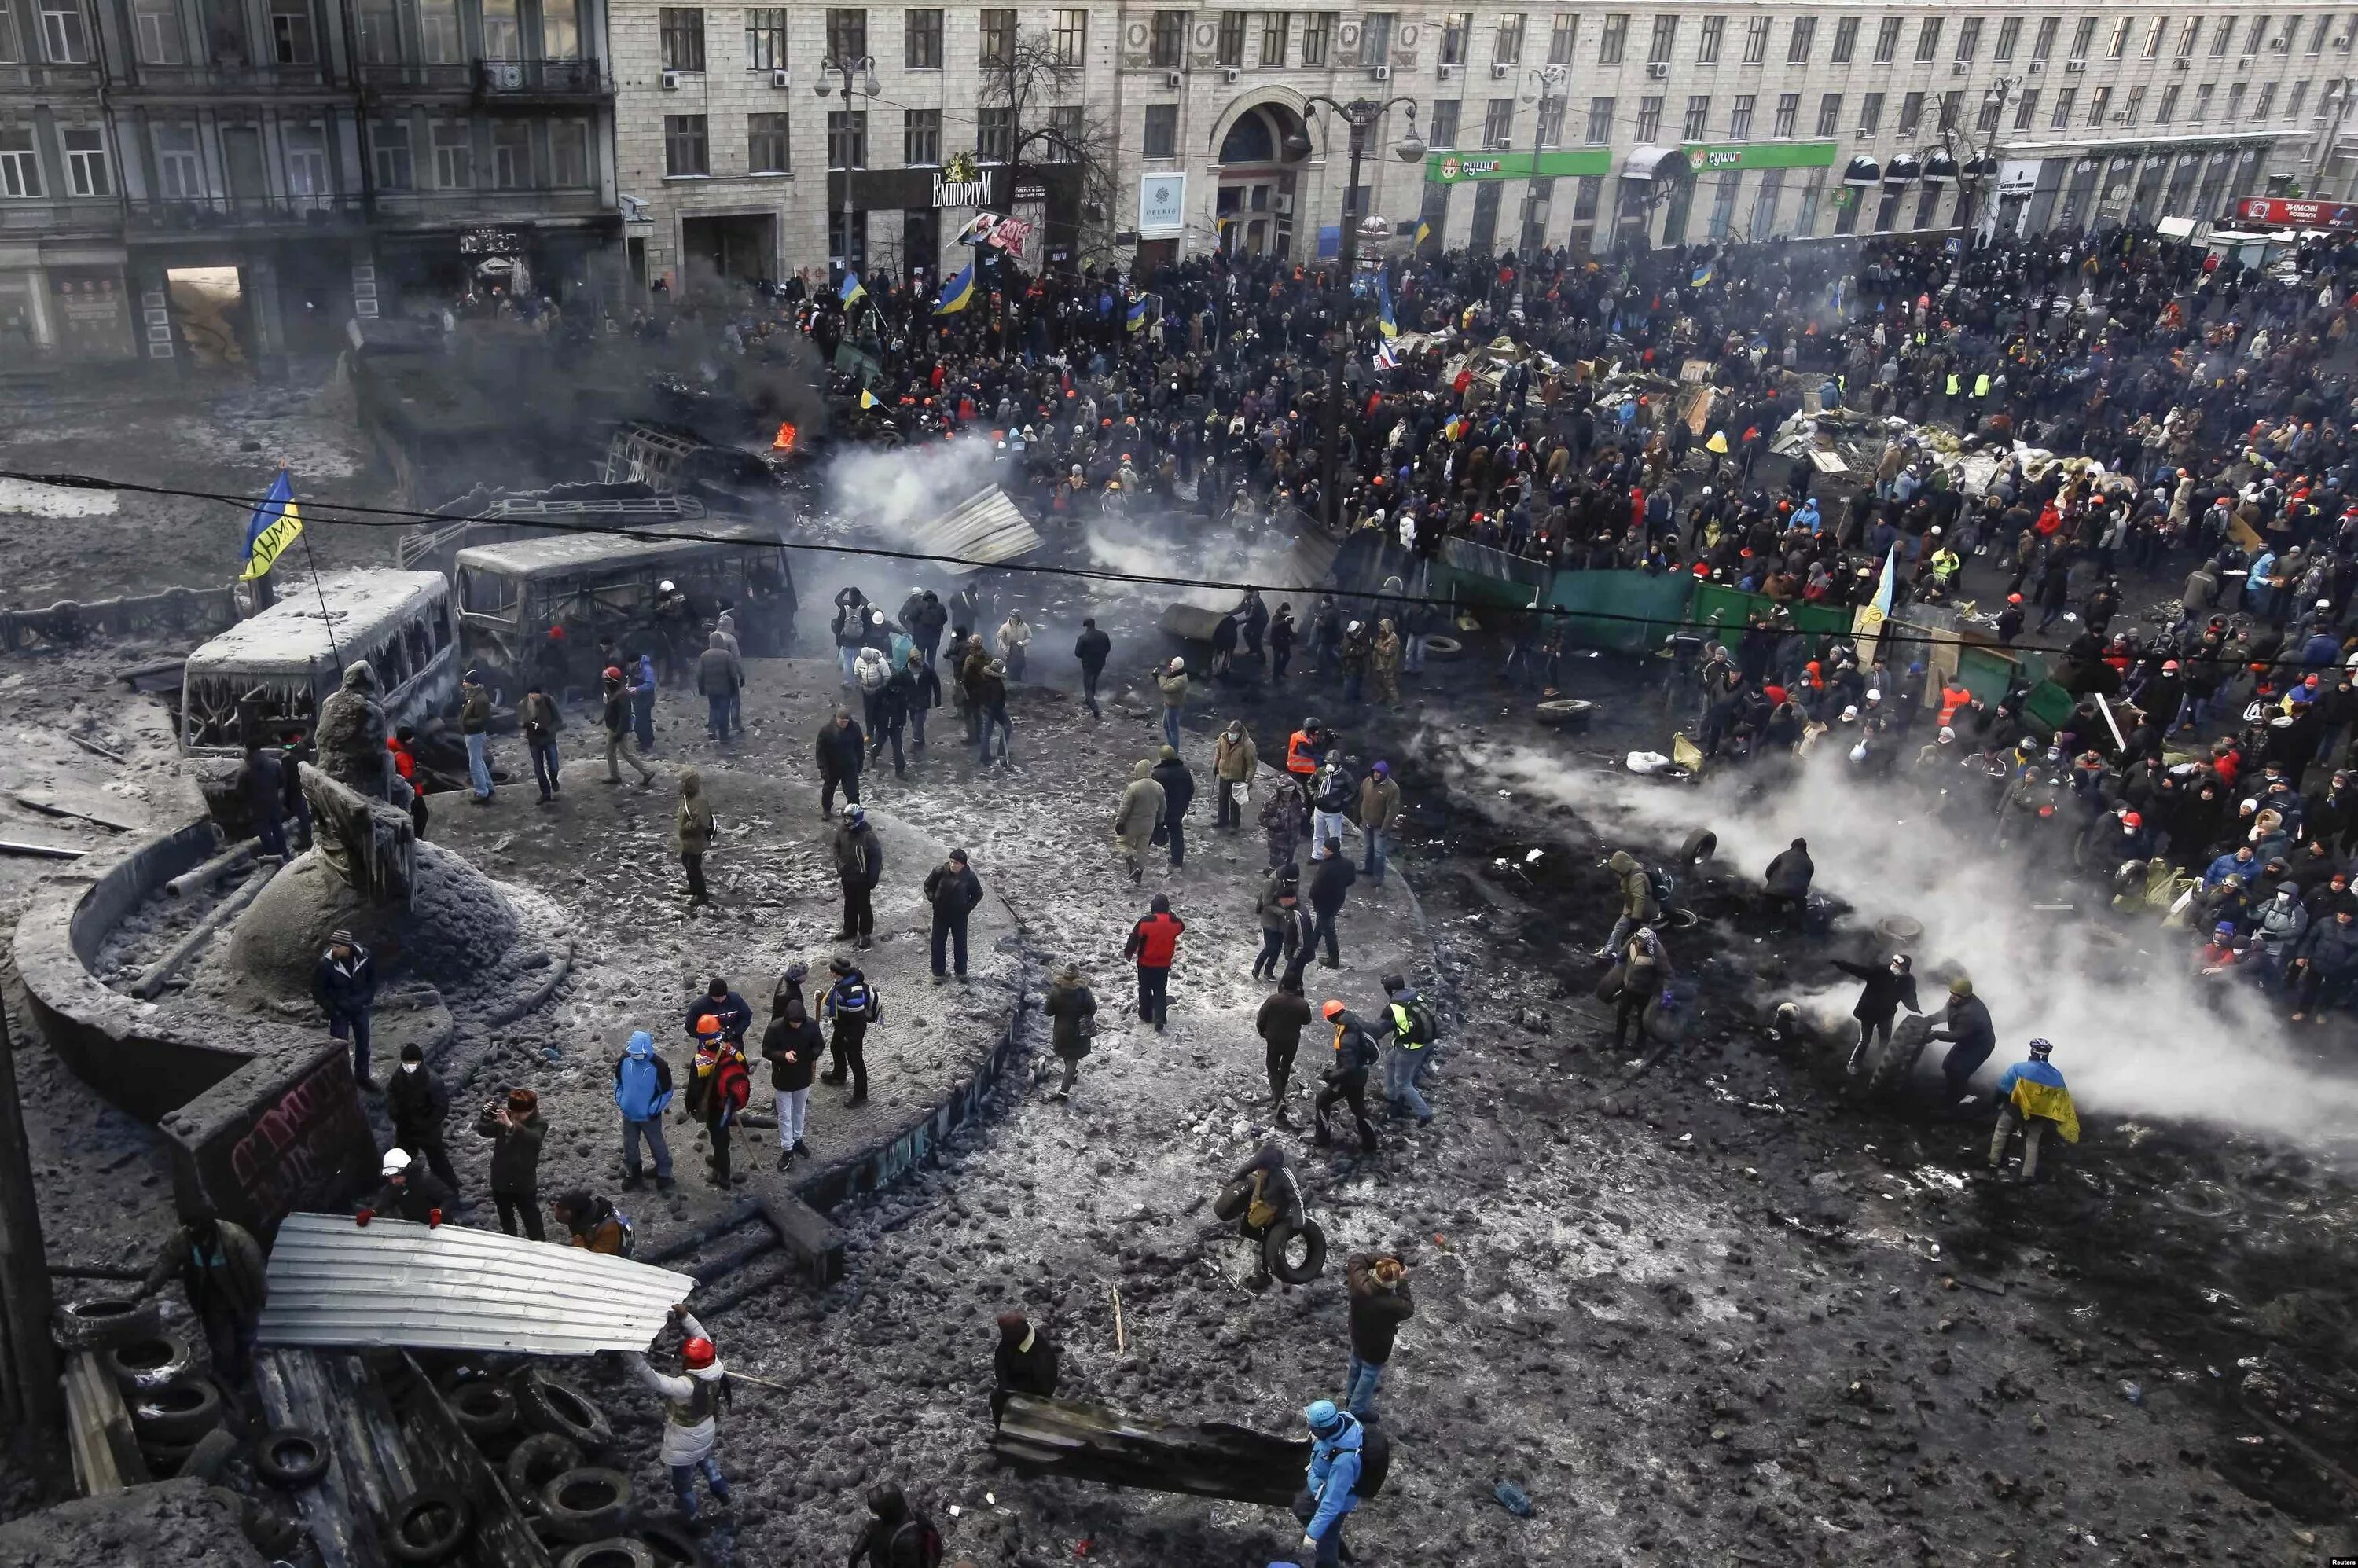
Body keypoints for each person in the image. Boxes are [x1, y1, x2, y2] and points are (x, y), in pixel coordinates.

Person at [134, 1205, 266, 1386]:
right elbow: (166, 1263)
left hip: (243, 1299)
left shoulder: (237, 1238)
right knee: (222, 1348)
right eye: (190, 1227)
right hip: (212, 1302)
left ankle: (243, 1369)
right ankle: (225, 1382)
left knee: (246, 1338)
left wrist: (263, 1301)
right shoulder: (184, 1238)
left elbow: (256, 1272)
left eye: (198, 1227)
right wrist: (146, 1288)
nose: (194, 1232)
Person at [626, 1305, 733, 1528]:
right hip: (706, 1428)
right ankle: (722, 1492)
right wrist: (686, 1317)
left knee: (683, 1485)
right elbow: (703, 1338)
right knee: (707, 1461)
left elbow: (654, 1381)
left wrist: (631, 1355)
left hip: (685, 1439)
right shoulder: (717, 1367)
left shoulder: (687, 1386)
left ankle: (693, 1519)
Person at [1989, 1037, 2081, 1182]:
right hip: (2038, 1116)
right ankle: (2027, 1174)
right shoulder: (2057, 1076)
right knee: (2032, 1141)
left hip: (2014, 1110)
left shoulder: (2018, 1068)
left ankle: (1994, 1162)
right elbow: (2061, 1100)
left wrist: (1995, 1104)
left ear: (2032, 1051)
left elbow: (2003, 1089)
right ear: (2047, 1054)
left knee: (2001, 1132)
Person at [1292, 1401, 1367, 1568]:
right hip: (1319, 1486)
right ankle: (1339, 1548)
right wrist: (1311, 1439)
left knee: (1325, 1549)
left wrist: (1312, 1536)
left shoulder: (1344, 1462)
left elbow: (1332, 1504)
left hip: (1333, 1500)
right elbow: (1324, 1438)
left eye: (1313, 1427)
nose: (1309, 1428)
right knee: (1301, 1507)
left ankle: (1333, 1556)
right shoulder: (1343, 1418)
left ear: (1323, 1429)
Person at [1342, 1253, 1413, 1419]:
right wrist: (1403, 1282)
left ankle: (1350, 1398)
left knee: (1355, 1364)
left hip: (1357, 1333)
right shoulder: (1393, 1305)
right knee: (1369, 1373)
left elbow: (1356, 1258)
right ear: (1392, 1282)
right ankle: (1357, 1409)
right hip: (1377, 1346)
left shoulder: (1359, 1284)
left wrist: (1386, 1260)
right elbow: (1408, 1309)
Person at [385, 1041, 460, 1193]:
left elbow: (441, 1109)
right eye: (406, 1062)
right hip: (405, 1128)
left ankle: (451, 1191)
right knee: (400, 1162)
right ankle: (399, 1193)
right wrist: (396, 1115)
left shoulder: (433, 1081)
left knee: (438, 1163)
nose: (409, 1066)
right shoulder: (398, 1076)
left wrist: (425, 1124)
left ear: (420, 1062)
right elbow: (391, 1095)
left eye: (412, 1062)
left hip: (427, 1131)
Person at [685, 1015, 751, 1187]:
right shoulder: (732, 1050)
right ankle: (720, 1168)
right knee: (722, 1138)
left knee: (719, 1140)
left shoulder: (700, 1061)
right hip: (729, 1101)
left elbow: (694, 1089)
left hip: (714, 1106)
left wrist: (691, 1107)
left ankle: (724, 1176)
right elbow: (745, 1069)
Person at [475, 1087, 546, 1241]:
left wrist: (512, 1126)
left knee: (531, 1218)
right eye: (513, 1112)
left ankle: (539, 1243)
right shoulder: (507, 1116)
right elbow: (485, 1131)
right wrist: (485, 1116)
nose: (516, 1116)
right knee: (505, 1216)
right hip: (501, 1178)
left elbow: (534, 1139)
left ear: (531, 1110)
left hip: (523, 1181)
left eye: (520, 1113)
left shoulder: (539, 1124)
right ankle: (510, 1240)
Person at [1227, 1140, 1302, 1287]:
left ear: (1272, 1167)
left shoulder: (1286, 1174)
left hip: (1276, 1206)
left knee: (1269, 1236)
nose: (1260, 1170)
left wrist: (1298, 1225)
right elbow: (1246, 1168)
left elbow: (1296, 1199)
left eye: (1263, 1168)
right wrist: (1232, 1183)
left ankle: (1265, 1272)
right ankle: (1266, 1241)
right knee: (1245, 1229)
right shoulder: (1264, 1156)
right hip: (1260, 1198)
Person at [1832, 952, 1922, 1074]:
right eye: (1894, 963)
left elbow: (1910, 997)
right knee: (1864, 1040)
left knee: (1885, 1040)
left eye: (1899, 965)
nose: (1895, 966)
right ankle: (1853, 1064)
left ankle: (1879, 1063)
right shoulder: (1880, 971)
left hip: (1887, 1014)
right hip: (1868, 1012)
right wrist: (1841, 964)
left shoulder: (1909, 981)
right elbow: (1859, 970)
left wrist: (1915, 1008)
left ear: (1906, 968)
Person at [761, 994, 821, 1166]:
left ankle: (798, 1139)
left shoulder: (811, 1026)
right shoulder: (775, 1028)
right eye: (794, 1022)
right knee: (785, 1115)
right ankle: (787, 1148)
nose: (797, 1025)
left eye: (799, 1022)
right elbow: (767, 1051)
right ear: (787, 1019)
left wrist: (812, 1054)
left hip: (803, 1076)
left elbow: (819, 1044)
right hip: (783, 1078)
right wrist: (783, 1055)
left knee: (799, 1111)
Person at [613, 1030, 675, 1191]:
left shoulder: (659, 1066)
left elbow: (667, 1091)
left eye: (639, 1053)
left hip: (650, 1117)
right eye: (633, 1053)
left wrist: (653, 1109)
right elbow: (617, 1081)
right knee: (629, 1145)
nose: (636, 1056)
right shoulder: (625, 1060)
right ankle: (634, 1174)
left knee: (657, 1144)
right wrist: (620, 1100)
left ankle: (664, 1173)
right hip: (629, 1114)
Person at [315, 930, 377, 1091]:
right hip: (339, 1011)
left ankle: (362, 1077)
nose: (333, 949)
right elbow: (318, 990)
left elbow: (373, 979)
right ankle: (341, 1081)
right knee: (339, 1048)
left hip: (359, 1007)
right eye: (332, 945)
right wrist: (332, 1008)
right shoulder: (326, 963)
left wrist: (367, 999)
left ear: (347, 947)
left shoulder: (364, 957)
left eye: (337, 946)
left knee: (364, 1045)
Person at [1925, 974, 1996, 1111]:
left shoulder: (1971, 1013)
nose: (1952, 997)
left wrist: (1935, 1035)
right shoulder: (1956, 1001)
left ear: (1965, 997)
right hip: (1968, 1042)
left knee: (1959, 1072)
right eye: (1952, 993)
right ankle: (1950, 1092)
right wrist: (1929, 1020)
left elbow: (1958, 1035)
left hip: (1979, 1046)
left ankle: (1954, 1102)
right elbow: (1945, 1013)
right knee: (1948, 1065)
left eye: (1956, 995)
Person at [1256, 975, 1314, 1123]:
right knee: (1286, 1066)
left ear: (1282, 985)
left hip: (1274, 1039)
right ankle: (1279, 1095)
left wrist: (1262, 1031)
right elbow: (1307, 1021)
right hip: (1292, 1041)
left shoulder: (1273, 1000)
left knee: (1272, 1067)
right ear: (1297, 988)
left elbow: (1261, 1017)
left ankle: (1278, 1099)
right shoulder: (1302, 1004)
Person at [1381, 974, 1436, 1125]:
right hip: (1425, 1042)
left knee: (1403, 1083)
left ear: (1390, 990)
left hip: (1409, 1048)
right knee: (1390, 1060)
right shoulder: (1417, 996)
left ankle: (1425, 1113)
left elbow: (1379, 1029)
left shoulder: (1392, 1008)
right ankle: (1391, 1098)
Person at [1125, 892, 1184, 1030]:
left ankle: (1145, 1015)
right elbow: (1182, 926)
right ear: (1167, 908)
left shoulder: (1145, 921)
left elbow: (1134, 938)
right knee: (1159, 990)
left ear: (1153, 907)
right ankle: (1159, 1018)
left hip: (1145, 962)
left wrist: (1128, 952)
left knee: (1145, 989)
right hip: (1163, 964)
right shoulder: (1173, 923)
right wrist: (1171, 914)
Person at [819, 956, 873, 1106]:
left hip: (853, 1030)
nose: (830, 972)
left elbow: (855, 1015)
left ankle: (861, 1095)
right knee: (835, 1047)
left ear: (837, 973)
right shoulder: (842, 984)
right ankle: (839, 1075)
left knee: (855, 1060)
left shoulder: (852, 991)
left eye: (832, 970)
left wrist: (849, 1036)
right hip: (842, 1025)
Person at [847, 1482, 940, 1567]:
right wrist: (854, 1557)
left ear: (887, 1512)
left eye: (876, 1513)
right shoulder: (888, 1516)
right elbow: (867, 1534)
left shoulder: (909, 1538)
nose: (873, 1517)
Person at [924, 848, 983, 982]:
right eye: (951, 861)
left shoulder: (969, 877)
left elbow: (978, 893)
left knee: (961, 944)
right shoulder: (939, 872)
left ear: (963, 864)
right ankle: (938, 973)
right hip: (940, 915)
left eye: (956, 863)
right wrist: (933, 898)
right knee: (938, 944)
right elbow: (928, 885)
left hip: (959, 917)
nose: (952, 865)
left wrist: (968, 907)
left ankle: (961, 972)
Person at [990, 1311, 1059, 1426]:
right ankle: (1000, 1431)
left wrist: (1020, 1398)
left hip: (1034, 1390)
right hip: (1012, 1384)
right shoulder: (1014, 1337)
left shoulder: (1042, 1356)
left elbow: (1046, 1389)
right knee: (996, 1398)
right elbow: (1000, 1361)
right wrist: (1005, 1387)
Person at [356, 1147, 455, 1226]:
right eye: (391, 1177)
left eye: (396, 1177)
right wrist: (372, 1211)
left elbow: (449, 1197)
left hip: (440, 1225)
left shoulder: (426, 1180)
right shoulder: (395, 1184)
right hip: (414, 1225)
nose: (394, 1181)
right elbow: (386, 1199)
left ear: (406, 1171)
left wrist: (439, 1212)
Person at [1610, 927, 1670, 1052]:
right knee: (1622, 1014)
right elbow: (1625, 951)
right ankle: (1618, 1043)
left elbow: (1666, 973)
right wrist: (1620, 956)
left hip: (1645, 991)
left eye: (1641, 941)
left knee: (1643, 1019)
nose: (1638, 943)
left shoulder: (1658, 954)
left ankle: (1639, 1045)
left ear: (1647, 942)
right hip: (1629, 987)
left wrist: (1663, 991)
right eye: (1637, 940)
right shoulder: (1634, 940)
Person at [1043, 964, 1097, 1099]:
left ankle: (1072, 1075)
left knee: (1068, 1056)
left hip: (1061, 1030)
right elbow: (1093, 1009)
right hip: (1079, 1030)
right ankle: (1063, 1093)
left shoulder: (1056, 990)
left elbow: (1048, 1012)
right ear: (1077, 976)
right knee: (1073, 1059)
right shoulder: (1083, 991)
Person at [833, 804, 883, 947]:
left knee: (863, 906)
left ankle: (865, 933)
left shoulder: (868, 836)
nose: (846, 822)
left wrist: (872, 879)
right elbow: (836, 846)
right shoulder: (842, 831)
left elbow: (876, 859)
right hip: (847, 875)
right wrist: (838, 863)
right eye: (845, 818)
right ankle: (849, 929)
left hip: (862, 878)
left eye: (849, 819)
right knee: (849, 903)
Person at [1599, 850, 1662, 959]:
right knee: (1619, 928)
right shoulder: (1633, 867)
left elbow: (1639, 899)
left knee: (1642, 936)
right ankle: (1609, 951)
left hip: (1644, 911)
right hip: (1631, 908)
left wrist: (1636, 919)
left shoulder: (1636, 877)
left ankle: (1640, 957)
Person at [602, 666, 657, 787]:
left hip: (618, 728)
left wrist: (619, 732)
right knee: (610, 750)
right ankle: (614, 775)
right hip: (614, 726)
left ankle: (647, 772)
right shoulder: (615, 691)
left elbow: (625, 716)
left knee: (626, 753)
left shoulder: (621, 694)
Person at [1112, 758, 1165, 884]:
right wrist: (1160, 823)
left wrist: (1119, 822)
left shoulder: (1134, 788)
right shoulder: (1159, 787)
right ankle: (1138, 877)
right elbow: (1163, 808)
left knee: (1122, 843)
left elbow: (1125, 807)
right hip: (1149, 825)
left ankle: (1132, 863)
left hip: (1133, 823)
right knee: (1143, 849)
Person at [1308, 841, 1357, 968]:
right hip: (1338, 900)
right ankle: (1313, 941)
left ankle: (1333, 959)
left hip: (1324, 902)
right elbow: (1351, 880)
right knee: (1322, 920)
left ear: (1330, 851)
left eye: (1325, 848)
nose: (1323, 850)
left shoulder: (1326, 868)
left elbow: (1316, 888)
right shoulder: (1348, 864)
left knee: (1329, 930)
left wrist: (1312, 896)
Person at [1151, 744, 1195, 868]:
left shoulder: (1157, 774)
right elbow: (1191, 789)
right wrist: (1186, 803)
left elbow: (1154, 795)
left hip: (1162, 810)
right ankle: (1177, 861)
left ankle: (1140, 859)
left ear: (1162, 758)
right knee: (1177, 834)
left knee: (1150, 832)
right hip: (1178, 809)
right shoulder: (1185, 771)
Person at [675, 768, 715, 906]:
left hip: (695, 841)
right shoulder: (688, 796)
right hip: (688, 841)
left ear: (689, 785)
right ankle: (693, 888)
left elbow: (702, 823)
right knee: (686, 862)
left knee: (694, 867)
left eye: (682, 783)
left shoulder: (699, 801)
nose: (680, 785)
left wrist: (686, 827)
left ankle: (701, 895)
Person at [1357, 762, 1401, 885]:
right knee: (1368, 847)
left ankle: (1378, 877)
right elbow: (1361, 799)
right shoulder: (1367, 782)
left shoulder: (1393, 789)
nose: (1376, 775)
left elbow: (1392, 811)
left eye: (1379, 773)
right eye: (1375, 772)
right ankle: (1367, 868)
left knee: (1379, 852)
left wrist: (1385, 828)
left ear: (1384, 774)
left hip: (1380, 826)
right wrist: (1358, 817)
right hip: (1366, 822)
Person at [816, 708, 865, 818]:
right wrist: (823, 769)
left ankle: (854, 813)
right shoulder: (826, 731)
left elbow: (859, 746)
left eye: (846, 722)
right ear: (837, 720)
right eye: (841, 722)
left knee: (853, 792)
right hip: (832, 766)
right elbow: (820, 752)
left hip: (849, 765)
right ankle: (827, 810)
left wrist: (860, 762)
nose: (844, 724)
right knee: (828, 789)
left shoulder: (855, 728)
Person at [696, 630, 742, 743]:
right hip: (724, 689)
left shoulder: (704, 655)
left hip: (710, 689)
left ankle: (711, 730)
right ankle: (723, 736)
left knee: (713, 708)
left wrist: (701, 689)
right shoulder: (727, 655)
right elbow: (732, 674)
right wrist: (735, 689)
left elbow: (700, 674)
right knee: (724, 711)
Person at [243, 741, 286, 860]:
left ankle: (271, 856)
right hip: (273, 801)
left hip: (258, 805)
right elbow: (282, 783)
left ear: (247, 750)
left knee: (264, 832)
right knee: (278, 828)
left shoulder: (246, 768)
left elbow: (241, 791)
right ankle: (284, 853)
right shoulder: (274, 763)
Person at [521, 680, 562, 803]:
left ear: (540, 694)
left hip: (549, 739)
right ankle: (545, 793)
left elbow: (558, 720)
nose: (531, 697)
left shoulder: (549, 701)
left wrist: (548, 730)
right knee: (538, 770)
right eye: (529, 694)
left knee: (554, 766)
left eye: (534, 694)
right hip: (534, 740)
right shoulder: (525, 704)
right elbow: (520, 720)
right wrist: (527, 723)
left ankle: (554, 779)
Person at [552, 1189, 630, 1254]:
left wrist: (579, 1245)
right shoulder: (579, 1218)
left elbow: (595, 1263)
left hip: (608, 1259)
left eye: (563, 1211)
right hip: (590, 1244)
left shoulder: (609, 1229)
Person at [1309, 751, 1354, 861]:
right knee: (1317, 834)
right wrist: (1313, 794)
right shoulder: (1320, 771)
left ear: (1338, 763)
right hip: (1319, 809)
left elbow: (1354, 791)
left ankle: (1334, 858)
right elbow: (1310, 782)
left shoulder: (1345, 776)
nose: (1329, 765)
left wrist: (1342, 803)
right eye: (1328, 762)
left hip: (1334, 812)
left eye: (1332, 763)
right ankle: (1317, 855)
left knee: (1335, 837)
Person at [1212, 721, 1258, 829]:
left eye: (1234, 732)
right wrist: (1215, 765)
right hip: (1224, 774)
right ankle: (1222, 820)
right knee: (1222, 799)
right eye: (1230, 732)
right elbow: (1218, 753)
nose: (1231, 734)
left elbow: (1252, 764)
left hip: (1239, 777)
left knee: (1235, 802)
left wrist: (1248, 779)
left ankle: (1234, 825)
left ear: (1239, 733)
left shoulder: (1248, 744)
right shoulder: (1222, 739)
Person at [458, 668, 495, 802]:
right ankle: (489, 787)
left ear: (472, 683)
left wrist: (466, 722)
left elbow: (484, 719)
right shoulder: (472, 694)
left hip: (475, 734)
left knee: (474, 765)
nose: (463, 683)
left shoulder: (481, 699)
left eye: (466, 681)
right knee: (479, 761)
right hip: (471, 733)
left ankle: (482, 792)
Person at [1762, 837, 1814, 927]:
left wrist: (1771, 884)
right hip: (1796, 895)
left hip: (1774, 892)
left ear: (1792, 846)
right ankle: (1798, 930)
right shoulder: (1809, 863)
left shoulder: (1783, 855)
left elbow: (1769, 871)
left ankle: (1766, 929)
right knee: (1801, 912)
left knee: (1769, 912)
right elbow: (1807, 883)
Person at [1261, 773, 1308, 869]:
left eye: (1291, 791)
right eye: (1286, 792)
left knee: (1289, 864)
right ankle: (1275, 880)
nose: (1289, 794)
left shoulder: (1297, 801)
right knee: (1277, 866)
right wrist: (1275, 822)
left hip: (1293, 839)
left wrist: (1303, 813)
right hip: (1278, 841)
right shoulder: (1272, 803)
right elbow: (1262, 818)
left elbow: (1302, 810)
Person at [1074, 618, 1111, 718]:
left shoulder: (1083, 637)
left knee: (1088, 687)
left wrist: (1086, 656)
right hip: (1100, 663)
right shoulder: (1103, 635)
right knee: (1094, 681)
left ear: (1085, 626)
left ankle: (1095, 709)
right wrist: (1101, 655)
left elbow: (1077, 653)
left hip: (1088, 665)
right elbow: (1108, 648)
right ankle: (1088, 701)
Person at [1157, 656, 1189, 750]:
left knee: (1173, 730)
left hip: (1173, 707)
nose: (1171, 667)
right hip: (1169, 705)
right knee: (1166, 726)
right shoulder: (1176, 674)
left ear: (1177, 667)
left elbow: (1167, 688)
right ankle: (1171, 746)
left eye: (1173, 666)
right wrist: (1159, 677)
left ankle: (1173, 751)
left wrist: (1159, 677)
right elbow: (1166, 682)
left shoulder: (1180, 679)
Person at [995, 611, 1032, 681]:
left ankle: (1019, 680)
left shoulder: (1025, 627)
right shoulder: (1004, 627)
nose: (1014, 619)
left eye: (1015, 617)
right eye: (1013, 617)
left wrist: (1023, 643)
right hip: (1009, 652)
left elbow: (1029, 638)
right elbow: (1000, 639)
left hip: (1020, 651)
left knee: (1020, 666)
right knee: (1010, 668)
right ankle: (1010, 681)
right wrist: (1005, 649)